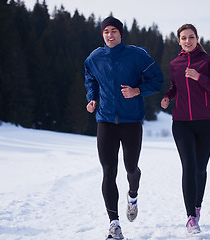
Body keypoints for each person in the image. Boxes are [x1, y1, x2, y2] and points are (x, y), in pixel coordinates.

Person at [84, 16, 163, 239]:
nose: (110, 35)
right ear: (103, 35)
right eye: (106, 31)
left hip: (131, 121)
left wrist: (137, 91)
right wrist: (92, 98)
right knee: (109, 172)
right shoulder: (95, 58)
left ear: (121, 33)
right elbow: (90, 79)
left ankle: (133, 195)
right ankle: (114, 224)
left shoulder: (137, 55)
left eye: (114, 31)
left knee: (131, 168)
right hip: (106, 121)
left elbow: (157, 80)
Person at [161, 24, 210, 234]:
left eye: (191, 37)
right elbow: (174, 87)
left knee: (200, 169)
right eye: (183, 38)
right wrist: (167, 97)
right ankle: (190, 217)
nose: (187, 41)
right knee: (188, 166)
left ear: (197, 39)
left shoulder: (208, 61)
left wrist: (200, 77)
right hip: (181, 123)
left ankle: (197, 206)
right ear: (178, 41)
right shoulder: (174, 64)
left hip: (206, 122)